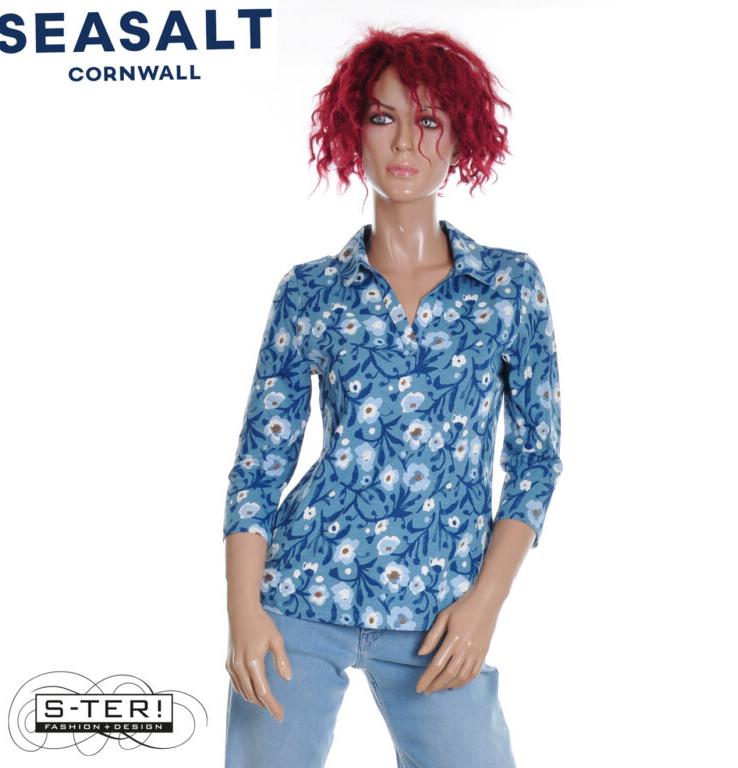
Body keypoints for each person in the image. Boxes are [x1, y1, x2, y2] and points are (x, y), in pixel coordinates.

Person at [223, 26, 563, 768]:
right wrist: (242, 610)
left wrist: (485, 603)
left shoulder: (508, 287)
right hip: (302, 593)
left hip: (441, 613)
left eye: (430, 120)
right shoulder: (310, 292)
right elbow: (258, 468)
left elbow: (536, 464)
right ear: (354, 130)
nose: (406, 140)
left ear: (461, 136)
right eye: (383, 117)